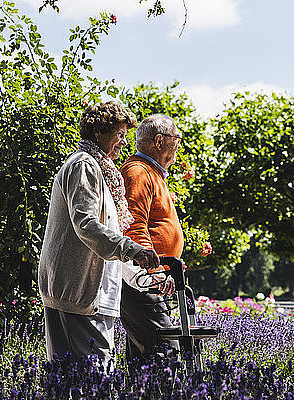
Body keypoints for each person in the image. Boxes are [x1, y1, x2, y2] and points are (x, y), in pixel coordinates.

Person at [38, 102, 160, 367]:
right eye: (119, 135)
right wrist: (133, 249)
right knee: (91, 378)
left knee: (85, 379)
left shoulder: (102, 171)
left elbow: (110, 238)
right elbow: (87, 224)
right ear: (97, 132)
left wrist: (147, 279)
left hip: (94, 293)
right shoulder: (83, 166)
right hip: (76, 291)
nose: (123, 143)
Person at [120, 113, 184, 363]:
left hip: (149, 279)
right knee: (165, 351)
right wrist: (154, 272)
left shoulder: (150, 172)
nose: (179, 144)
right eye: (176, 138)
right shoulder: (138, 172)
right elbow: (133, 226)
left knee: (143, 357)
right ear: (159, 141)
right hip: (142, 279)